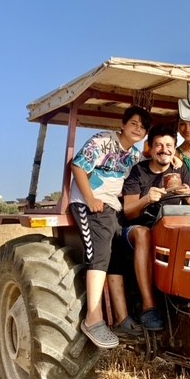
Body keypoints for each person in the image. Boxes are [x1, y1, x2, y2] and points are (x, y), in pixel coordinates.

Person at [69, 105, 152, 349]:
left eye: (143, 126)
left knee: (121, 253)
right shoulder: (102, 141)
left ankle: (122, 318)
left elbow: (149, 162)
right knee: (101, 251)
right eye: (134, 123)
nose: (138, 129)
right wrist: (91, 198)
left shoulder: (134, 155)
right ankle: (93, 318)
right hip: (90, 203)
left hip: (112, 207)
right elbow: (78, 167)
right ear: (123, 125)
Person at [119, 124, 190, 331]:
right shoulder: (138, 172)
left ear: (174, 148)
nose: (164, 149)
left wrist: (188, 194)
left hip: (168, 229)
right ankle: (149, 307)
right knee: (144, 233)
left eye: (169, 145)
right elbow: (128, 211)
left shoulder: (180, 169)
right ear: (151, 149)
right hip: (136, 230)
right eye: (159, 145)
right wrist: (147, 199)